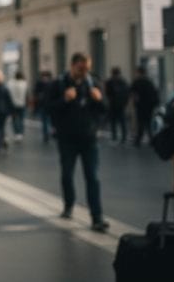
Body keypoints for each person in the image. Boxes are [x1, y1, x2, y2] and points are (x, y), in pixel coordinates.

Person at [46, 53, 109, 232]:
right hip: (67, 140)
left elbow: (106, 108)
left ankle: (97, 217)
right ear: (73, 65)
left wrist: (100, 99)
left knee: (93, 178)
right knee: (67, 175)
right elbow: (48, 108)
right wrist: (64, 100)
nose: (85, 72)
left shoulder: (93, 83)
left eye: (87, 69)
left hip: (89, 139)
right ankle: (69, 204)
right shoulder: (59, 84)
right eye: (82, 68)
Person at [130, 66, 159, 147]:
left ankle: (138, 140)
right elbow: (155, 92)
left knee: (141, 123)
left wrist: (134, 102)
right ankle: (151, 140)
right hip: (149, 106)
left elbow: (132, 93)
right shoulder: (149, 81)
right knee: (148, 123)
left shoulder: (137, 82)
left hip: (140, 105)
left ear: (138, 72)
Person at [104, 67, 130, 144]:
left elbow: (107, 93)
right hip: (121, 104)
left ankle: (114, 137)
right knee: (122, 121)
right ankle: (124, 137)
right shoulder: (123, 81)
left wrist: (109, 100)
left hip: (113, 104)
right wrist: (125, 103)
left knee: (113, 122)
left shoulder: (109, 81)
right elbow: (127, 93)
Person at [6, 71, 28, 142]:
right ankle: (21, 133)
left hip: (13, 104)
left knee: (15, 119)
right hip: (22, 104)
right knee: (21, 119)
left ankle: (17, 133)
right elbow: (27, 94)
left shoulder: (10, 83)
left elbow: (8, 93)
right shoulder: (24, 83)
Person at [33, 71, 54, 143]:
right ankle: (49, 133)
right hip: (48, 105)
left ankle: (46, 134)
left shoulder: (39, 83)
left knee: (45, 121)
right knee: (48, 121)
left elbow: (35, 93)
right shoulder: (52, 83)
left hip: (43, 105)